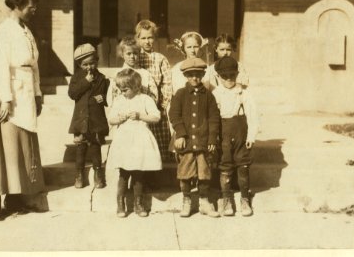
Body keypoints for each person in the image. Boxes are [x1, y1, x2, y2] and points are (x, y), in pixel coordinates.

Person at [0, 0, 45, 221]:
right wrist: (6, 98)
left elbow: (33, 65)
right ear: (18, 4)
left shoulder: (26, 30)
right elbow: (1, 65)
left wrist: (38, 94)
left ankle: (15, 198)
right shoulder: (5, 30)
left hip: (26, 91)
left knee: (23, 146)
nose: (34, 8)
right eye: (31, 4)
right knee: (7, 149)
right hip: (10, 93)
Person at [168, 58, 220, 218]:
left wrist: (212, 139)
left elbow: (214, 118)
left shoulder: (208, 96)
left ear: (203, 74)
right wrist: (181, 134)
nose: (195, 78)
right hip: (186, 141)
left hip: (203, 141)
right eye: (191, 75)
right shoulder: (180, 94)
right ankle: (187, 201)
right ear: (185, 76)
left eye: (198, 75)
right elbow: (174, 115)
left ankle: (204, 201)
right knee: (185, 173)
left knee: (204, 173)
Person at [107, 69, 162, 217]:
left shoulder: (145, 99)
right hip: (124, 140)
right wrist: (119, 118)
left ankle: (138, 203)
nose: (122, 92)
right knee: (124, 173)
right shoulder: (119, 100)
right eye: (120, 90)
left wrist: (140, 116)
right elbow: (111, 119)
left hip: (140, 139)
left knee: (139, 172)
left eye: (125, 89)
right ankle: (120, 203)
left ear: (136, 87)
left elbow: (156, 117)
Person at [212, 56, 259, 217]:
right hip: (223, 134)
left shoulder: (243, 93)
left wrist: (251, 137)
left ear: (237, 74)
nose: (229, 79)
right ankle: (226, 199)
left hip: (241, 134)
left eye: (232, 75)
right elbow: (213, 118)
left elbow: (253, 116)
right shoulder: (216, 93)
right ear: (218, 76)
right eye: (225, 76)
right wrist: (214, 138)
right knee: (225, 165)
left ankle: (245, 198)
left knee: (242, 164)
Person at [68, 43, 110, 189]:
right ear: (79, 64)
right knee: (81, 148)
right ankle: (79, 175)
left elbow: (108, 96)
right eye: (85, 64)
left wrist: (103, 98)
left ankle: (98, 174)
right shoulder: (76, 78)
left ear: (97, 61)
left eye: (92, 63)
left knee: (95, 147)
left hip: (96, 119)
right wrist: (86, 81)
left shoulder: (102, 78)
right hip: (81, 120)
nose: (89, 67)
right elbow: (72, 94)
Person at [136, 20, 173, 162]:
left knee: (159, 139)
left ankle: (159, 168)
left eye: (150, 37)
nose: (147, 41)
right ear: (138, 39)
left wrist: (162, 104)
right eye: (143, 38)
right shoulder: (135, 57)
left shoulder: (160, 59)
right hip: (139, 105)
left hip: (157, 105)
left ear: (155, 38)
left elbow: (167, 83)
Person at [107, 36, 158, 105]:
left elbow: (154, 95)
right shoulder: (117, 75)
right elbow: (111, 97)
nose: (132, 57)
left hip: (142, 110)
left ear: (139, 53)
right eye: (128, 53)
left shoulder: (145, 74)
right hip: (123, 111)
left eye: (135, 53)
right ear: (122, 54)